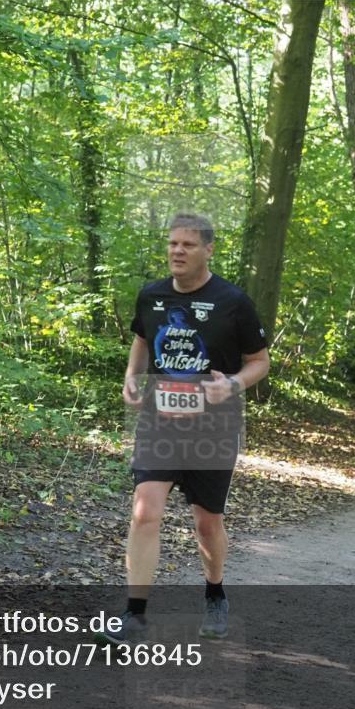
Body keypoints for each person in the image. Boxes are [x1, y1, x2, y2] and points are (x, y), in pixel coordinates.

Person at [97, 212, 270, 645]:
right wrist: (132, 376)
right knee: (145, 511)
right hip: (159, 423)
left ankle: (215, 593)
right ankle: (134, 615)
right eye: (173, 244)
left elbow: (260, 361)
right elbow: (141, 337)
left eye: (188, 245)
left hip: (213, 427)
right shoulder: (151, 296)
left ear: (209, 250)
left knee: (206, 523)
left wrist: (231, 384)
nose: (177, 251)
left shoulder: (234, 302)